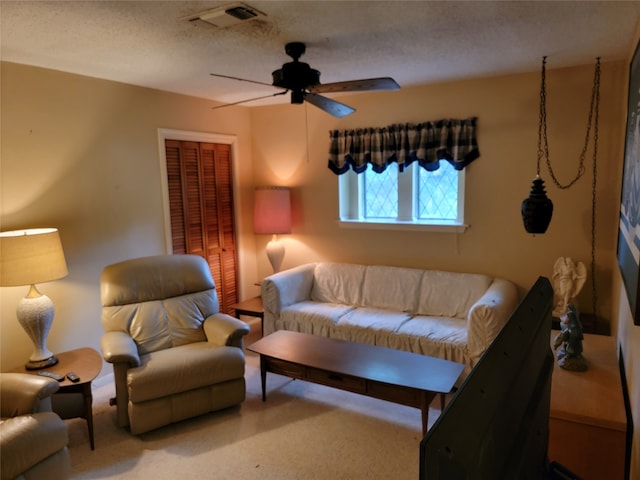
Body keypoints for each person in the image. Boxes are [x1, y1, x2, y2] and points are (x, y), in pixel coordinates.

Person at [553, 304, 587, 371]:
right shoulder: (573, 315)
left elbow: (566, 321)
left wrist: (562, 319)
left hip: (573, 337)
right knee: (571, 347)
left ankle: (572, 355)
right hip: (573, 336)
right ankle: (572, 355)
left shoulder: (571, 316)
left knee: (572, 347)